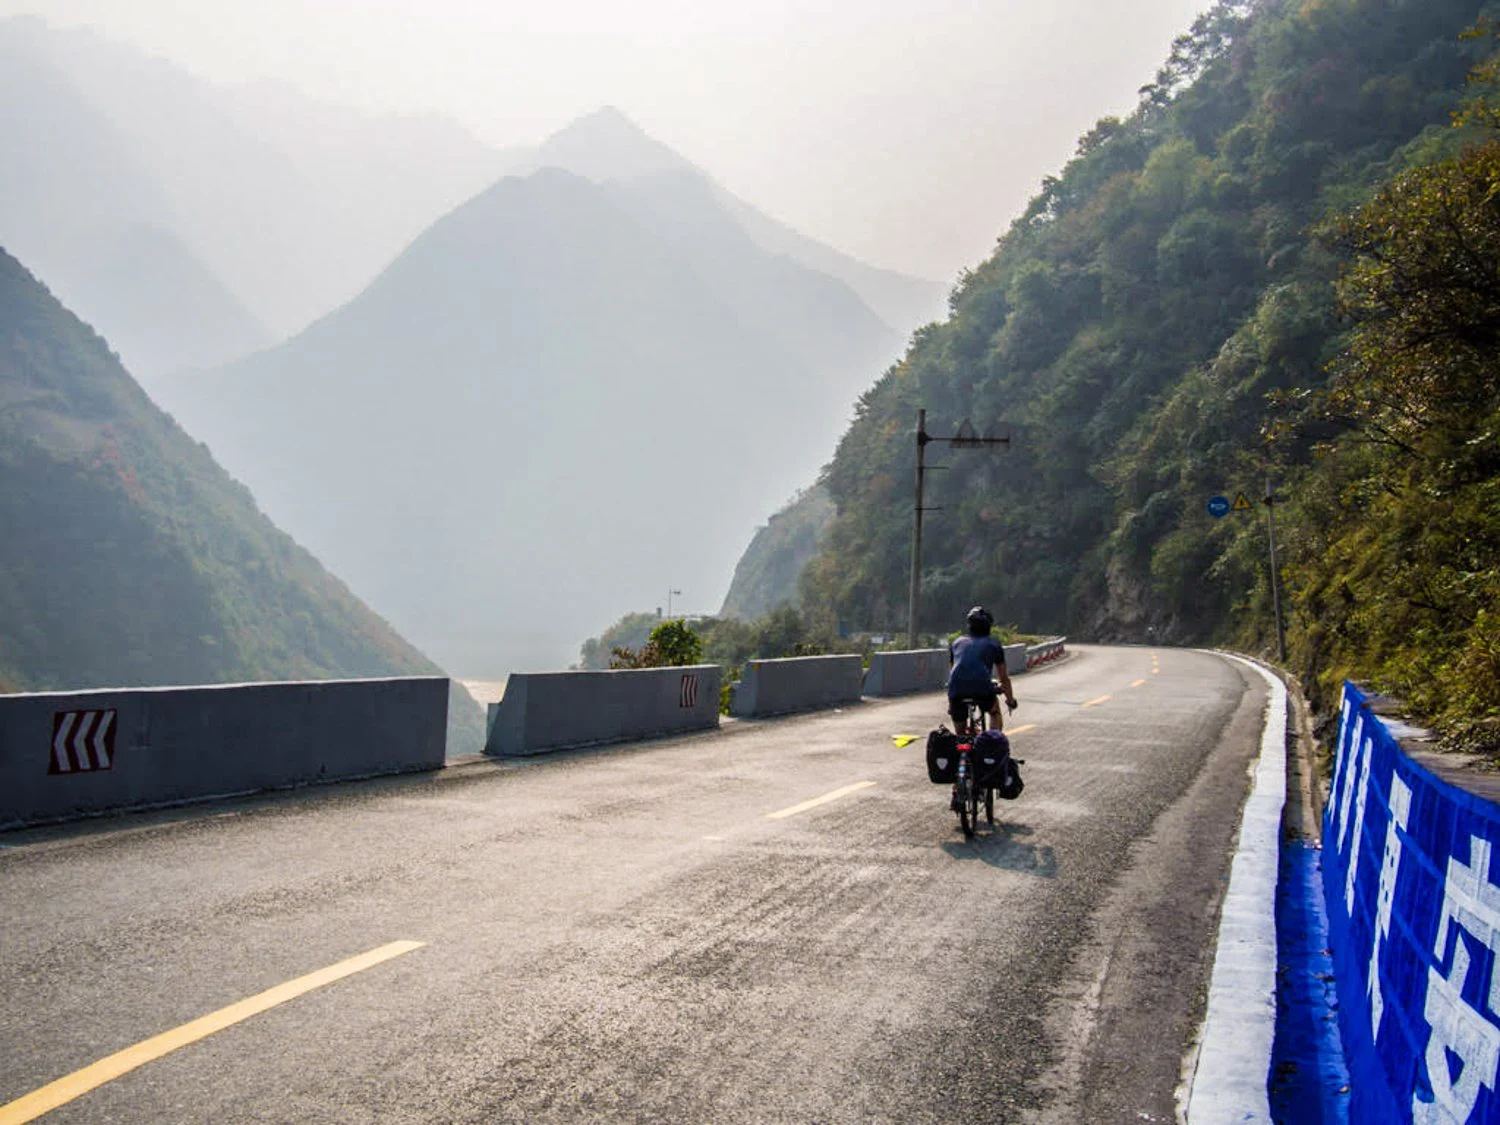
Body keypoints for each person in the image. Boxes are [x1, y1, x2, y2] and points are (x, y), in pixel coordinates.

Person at [947, 606, 1017, 732]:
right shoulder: (993, 644)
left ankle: (962, 743)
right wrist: (1010, 700)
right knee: (994, 712)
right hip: (983, 688)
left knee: (960, 734)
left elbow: (953, 674)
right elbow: (1004, 678)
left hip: (956, 691)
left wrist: (951, 704)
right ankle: (992, 743)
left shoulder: (957, 642)